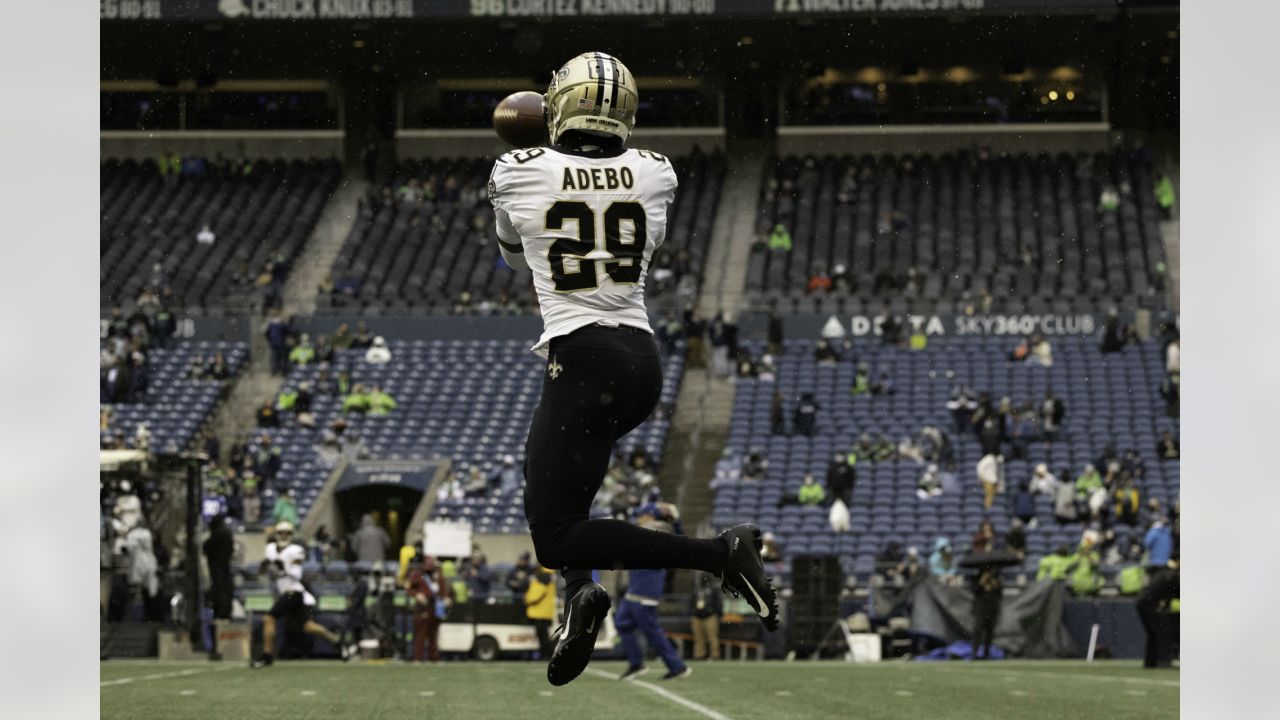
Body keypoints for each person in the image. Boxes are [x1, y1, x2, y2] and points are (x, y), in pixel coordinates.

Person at [488, 52, 776, 687]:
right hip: (641, 360)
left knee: (556, 534)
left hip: (581, 356)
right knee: (552, 487)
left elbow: (513, 257)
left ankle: (718, 554)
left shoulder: (514, 168)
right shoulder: (656, 171)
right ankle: (580, 596)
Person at [253, 522, 345, 667]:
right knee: (308, 626)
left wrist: (282, 568)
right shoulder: (270, 549)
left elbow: (296, 573)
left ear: (291, 535)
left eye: (287, 533)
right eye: (281, 532)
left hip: (294, 592)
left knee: (269, 618)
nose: (284, 536)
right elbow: (270, 574)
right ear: (277, 534)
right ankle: (335, 639)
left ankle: (267, 655)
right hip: (286, 592)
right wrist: (266, 569)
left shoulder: (296, 550)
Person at [616, 516, 692, 681]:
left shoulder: (660, 548)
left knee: (652, 633)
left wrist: (676, 521)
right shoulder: (641, 543)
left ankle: (678, 667)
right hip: (632, 593)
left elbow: (682, 542)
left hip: (645, 596)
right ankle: (637, 664)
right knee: (621, 623)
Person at [405, 555, 451, 663]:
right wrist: (417, 595)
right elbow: (408, 588)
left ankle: (433, 658)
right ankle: (417, 658)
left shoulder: (438, 574)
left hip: (435, 607)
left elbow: (443, 589)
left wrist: (446, 598)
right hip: (422, 608)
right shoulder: (418, 574)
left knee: (433, 634)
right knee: (420, 634)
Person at [203, 514, 234, 620]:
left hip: (218, 568)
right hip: (223, 567)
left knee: (220, 592)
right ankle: (224, 614)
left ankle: (221, 614)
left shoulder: (219, 533)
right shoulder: (226, 532)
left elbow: (206, 546)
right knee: (223, 591)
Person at [971, 565, 1003, 660]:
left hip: (992, 609)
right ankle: (974, 652)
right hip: (981, 609)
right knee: (978, 630)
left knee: (990, 632)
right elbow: (974, 590)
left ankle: (986, 653)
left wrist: (994, 583)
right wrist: (982, 582)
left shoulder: (996, 579)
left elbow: (1000, 593)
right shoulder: (977, 578)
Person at [689, 574, 723, 661]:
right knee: (698, 637)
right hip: (697, 616)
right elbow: (691, 602)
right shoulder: (696, 590)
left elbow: (718, 603)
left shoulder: (713, 590)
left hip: (710, 616)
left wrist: (717, 613)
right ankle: (699, 655)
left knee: (712, 636)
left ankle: (715, 655)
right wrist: (692, 611)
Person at [525, 565, 557, 658]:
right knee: (543, 635)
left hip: (541, 611)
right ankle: (546, 654)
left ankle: (547, 654)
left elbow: (539, 593)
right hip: (543, 610)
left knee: (543, 636)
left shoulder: (544, 575)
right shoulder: (548, 574)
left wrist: (528, 599)